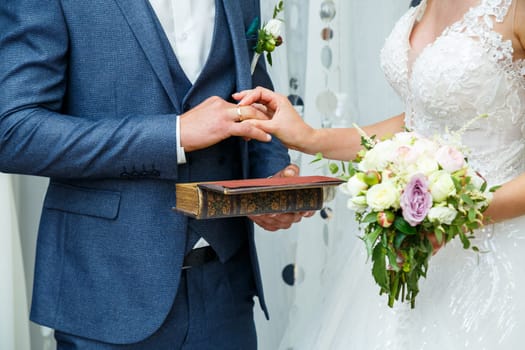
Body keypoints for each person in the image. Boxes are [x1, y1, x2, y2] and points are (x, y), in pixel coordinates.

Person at [0, 0, 308, 349]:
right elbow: (13, 131)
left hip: (226, 292)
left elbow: (251, 93)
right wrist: (173, 134)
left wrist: (268, 180)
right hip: (107, 294)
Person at [235, 0, 525, 348]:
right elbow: (421, 121)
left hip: (492, 252)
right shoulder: (424, 4)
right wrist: (309, 138)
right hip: (408, 242)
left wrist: (455, 217)